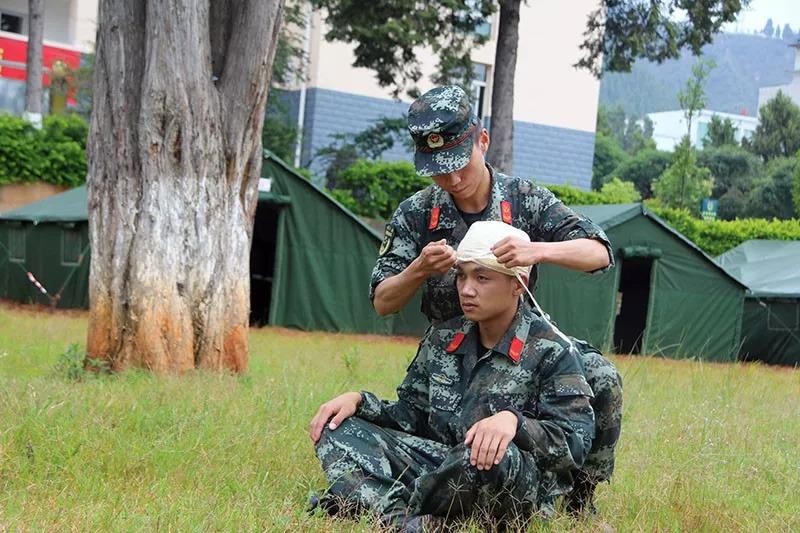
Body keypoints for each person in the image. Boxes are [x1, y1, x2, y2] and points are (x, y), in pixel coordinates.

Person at [370, 85, 622, 513]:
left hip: (514, 345)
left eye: (458, 164)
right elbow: (382, 301)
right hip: (450, 353)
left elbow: (599, 252)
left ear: (481, 141)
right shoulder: (416, 213)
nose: (451, 179)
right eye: (437, 169)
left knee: (600, 375)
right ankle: (441, 486)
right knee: (438, 427)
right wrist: (418, 269)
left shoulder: (523, 199)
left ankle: (578, 498)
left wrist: (537, 250)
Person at [310, 222, 596, 531]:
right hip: (441, 460)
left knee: (490, 454)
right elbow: (411, 417)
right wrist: (359, 402)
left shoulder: (552, 350)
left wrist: (515, 423)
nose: (466, 289)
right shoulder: (444, 336)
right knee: (338, 426)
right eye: (461, 275)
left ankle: (373, 502)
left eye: (482, 277)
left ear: (518, 283)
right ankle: (403, 521)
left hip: (506, 482)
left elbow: (574, 443)